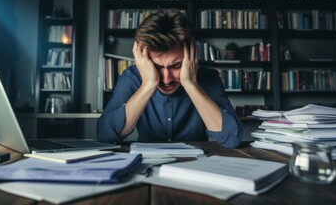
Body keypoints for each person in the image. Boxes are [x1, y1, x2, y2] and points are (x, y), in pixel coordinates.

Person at [97, 9, 242, 148]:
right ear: (142, 59)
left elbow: (232, 139)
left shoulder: (208, 78)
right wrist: (148, 85)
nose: (166, 79)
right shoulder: (131, 77)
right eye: (157, 66)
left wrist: (190, 84)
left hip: (196, 166)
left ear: (191, 56)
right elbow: (105, 136)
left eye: (176, 66)